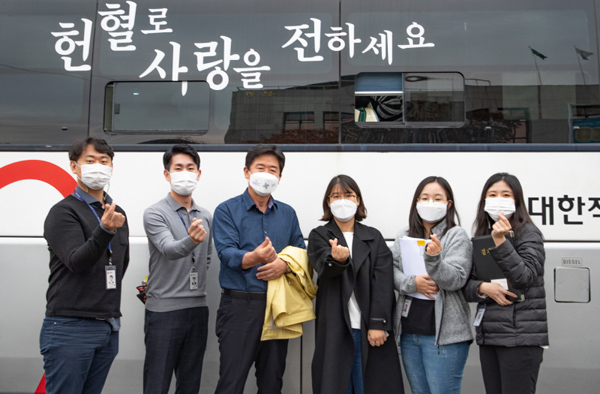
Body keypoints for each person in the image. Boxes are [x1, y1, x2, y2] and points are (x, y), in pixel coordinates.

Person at [212, 144, 305, 394]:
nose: (266, 174)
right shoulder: (227, 210)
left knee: (272, 381)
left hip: (278, 307)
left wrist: (284, 264)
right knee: (231, 381)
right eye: (260, 168)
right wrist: (255, 257)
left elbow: (301, 251)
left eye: (272, 170)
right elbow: (227, 253)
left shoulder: (288, 213)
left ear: (280, 177)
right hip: (240, 307)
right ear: (247, 171)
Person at [40, 137, 129, 394]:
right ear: (74, 166)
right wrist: (104, 230)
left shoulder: (116, 211)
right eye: (89, 161)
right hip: (71, 326)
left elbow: (121, 264)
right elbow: (77, 261)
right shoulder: (63, 211)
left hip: (108, 326)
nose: (98, 166)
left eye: (104, 161)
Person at [308, 175, 403, 394]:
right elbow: (323, 268)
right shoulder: (320, 235)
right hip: (335, 328)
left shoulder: (373, 236)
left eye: (348, 195)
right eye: (336, 196)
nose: (343, 200)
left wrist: (378, 323)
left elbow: (384, 282)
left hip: (369, 329)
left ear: (358, 200)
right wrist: (338, 260)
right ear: (328, 202)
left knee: (370, 385)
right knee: (336, 385)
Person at [463, 173, 548, 394]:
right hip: (490, 336)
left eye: (505, 194)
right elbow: (467, 285)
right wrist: (482, 288)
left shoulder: (529, 233)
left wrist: (500, 241)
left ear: (517, 200)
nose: (498, 199)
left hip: (520, 338)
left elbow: (525, 276)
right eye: (492, 194)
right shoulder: (481, 235)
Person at [391, 176, 473, 394]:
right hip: (410, 333)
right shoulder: (405, 235)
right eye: (425, 198)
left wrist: (434, 259)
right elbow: (390, 271)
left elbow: (456, 278)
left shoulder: (456, 235)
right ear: (416, 201)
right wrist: (412, 283)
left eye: (437, 198)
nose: (430, 203)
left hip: (445, 337)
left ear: (448, 204)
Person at [142, 144, 212, 394]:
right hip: (164, 311)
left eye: (190, 168)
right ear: (167, 174)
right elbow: (168, 249)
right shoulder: (155, 213)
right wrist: (191, 241)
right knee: (157, 383)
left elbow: (206, 258)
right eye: (178, 168)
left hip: (197, 309)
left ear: (199, 174)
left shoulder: (205, 214)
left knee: (190, 383)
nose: (185, 173)